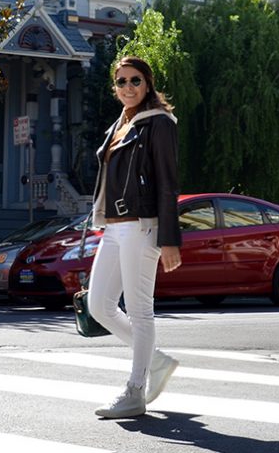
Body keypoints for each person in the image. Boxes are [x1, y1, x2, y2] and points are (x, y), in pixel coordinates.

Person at [87, 55, 182, 419]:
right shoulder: (121, 124)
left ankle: (135, 391)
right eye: (121, 81)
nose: (128, 87)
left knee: (140, 311)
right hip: (114, 226)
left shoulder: (159, 123)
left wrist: (170, 239)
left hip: (142, 225)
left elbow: (168, 183)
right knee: (99, 306)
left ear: (148, 83)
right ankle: (155, 360)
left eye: (135, 80)